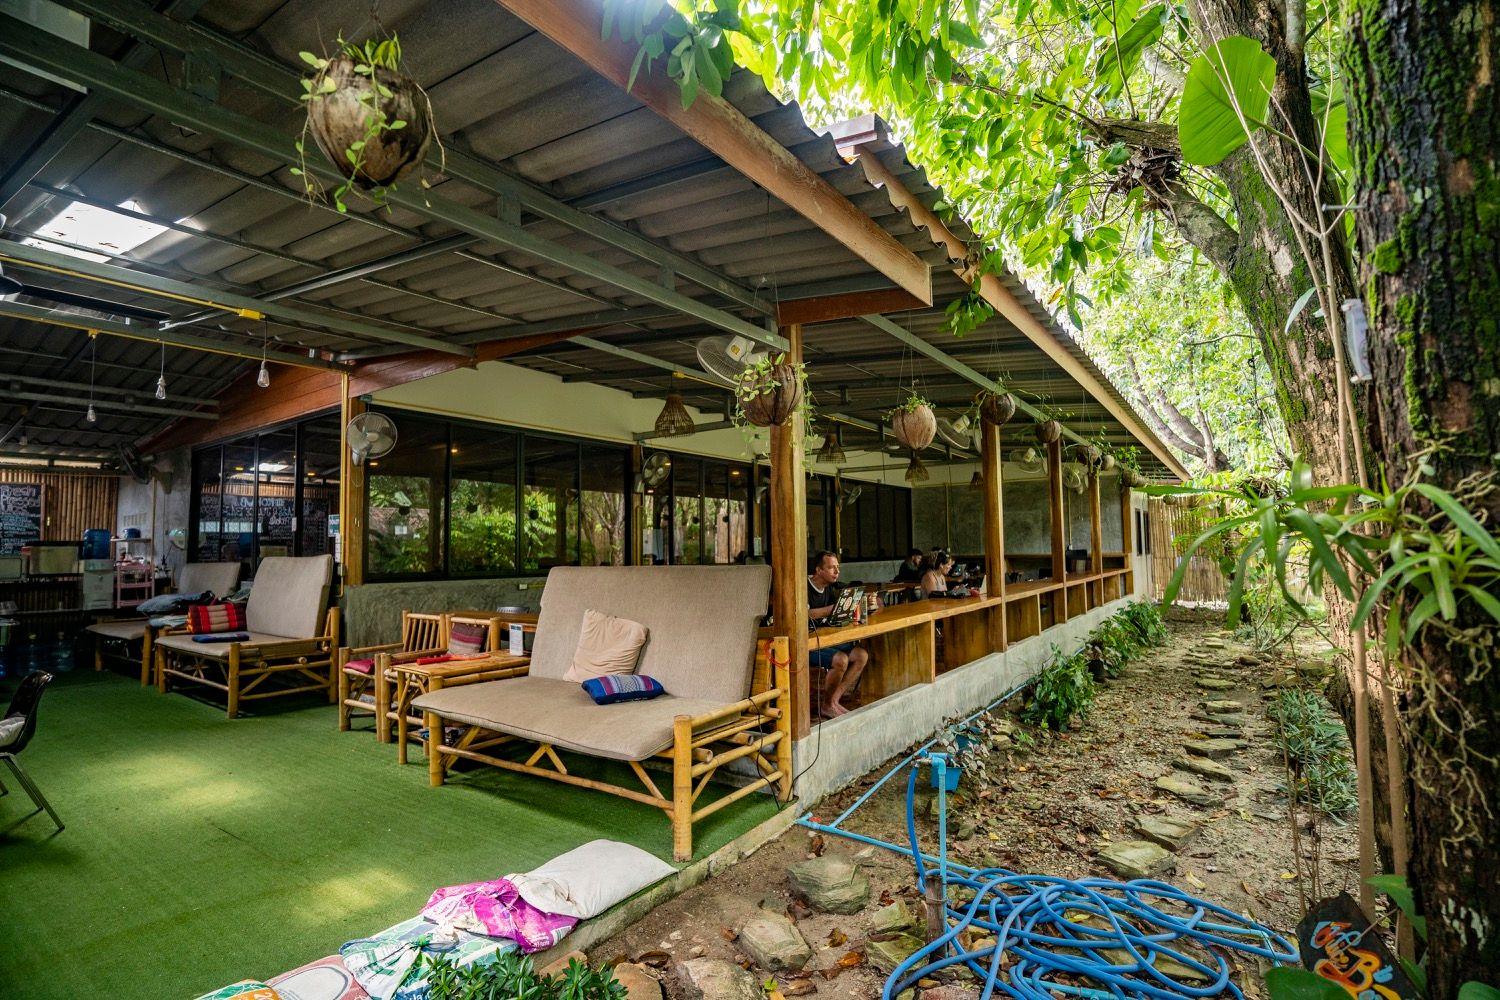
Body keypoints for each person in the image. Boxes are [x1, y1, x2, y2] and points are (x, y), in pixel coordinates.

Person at [806, 550, 869, 718]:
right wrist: (830, 610)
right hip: (806, 643)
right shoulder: (803, 587)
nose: (837, 571)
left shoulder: (832, 587)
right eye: (831, 568)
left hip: (826, 638)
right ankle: (827, 705)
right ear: (819, 571)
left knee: (861, 655)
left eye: (838, 567)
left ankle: (832, 701)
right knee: (841, 660)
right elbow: (805, 614)